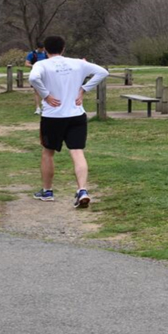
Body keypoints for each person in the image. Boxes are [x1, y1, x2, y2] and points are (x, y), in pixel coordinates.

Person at [28, 35, 109, 208]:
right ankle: (82, 190)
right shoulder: (78, 63)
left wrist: (46, 95)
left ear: (46, 50)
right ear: (63, 48)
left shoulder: (41, 64)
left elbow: (34, 79)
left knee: (48, 152)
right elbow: (103, 72)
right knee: (77, 151)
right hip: (76, 115)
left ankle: (47, 191)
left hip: (53, 116)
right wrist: (84, 89)